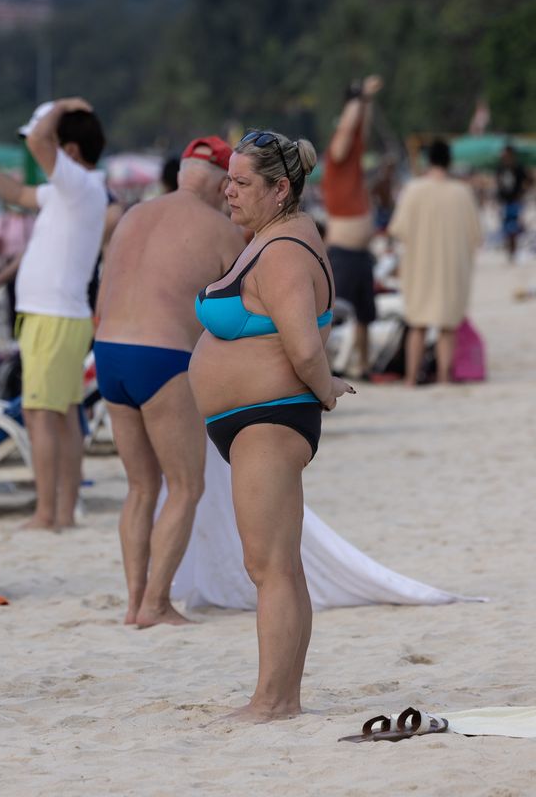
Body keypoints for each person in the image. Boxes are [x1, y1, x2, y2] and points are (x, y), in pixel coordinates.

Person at [188, 129, 354, 721]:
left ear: (280, 188)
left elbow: (306, 347)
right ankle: (279, 695)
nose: (226, 190)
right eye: (227, 178)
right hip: (255, 419)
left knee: (270, 565)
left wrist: (326, 390)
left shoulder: (283, 251)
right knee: (276, 562)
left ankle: (275, 700)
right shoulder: (270, 238)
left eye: (241, 182)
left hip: (270, 418)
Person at [94, 136, 246, 627]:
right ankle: (156, 604)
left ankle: (133, 602)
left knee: (140, 486)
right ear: (224, 184)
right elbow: (237, 315)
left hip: (109, 353)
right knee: (184, 485)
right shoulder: (221, 232)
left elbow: (101, 296)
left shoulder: (130, 217)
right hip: (161, 357)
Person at [0, 97, 107, 530]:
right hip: (54, 315)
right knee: (60, 414)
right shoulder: (74, 190)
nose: (40, 148)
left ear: (72, 151)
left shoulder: (80, 184)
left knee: (42, 414)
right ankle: (60, 511)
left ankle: (48, 512)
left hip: (54, 316)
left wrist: (63, 106)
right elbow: (20, 194)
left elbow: (42, 139)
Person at [387, 139, 482, 387]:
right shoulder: (462, 192)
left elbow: (398, 230)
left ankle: (410, 378)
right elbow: (475, 236)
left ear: (428, 160)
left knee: (417, 324)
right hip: (452, 267)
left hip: (420, 267)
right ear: (450, 161)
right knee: (447, 326)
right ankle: (443, 376)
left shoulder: (413, 190)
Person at [322, 75, 381, 377]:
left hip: (360, 253)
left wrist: (367, 102)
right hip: (343, 251)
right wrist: (357, 97)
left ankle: (364, 364)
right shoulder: (337, 158)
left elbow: (361, 131)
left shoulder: (353, 156)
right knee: (338, 315)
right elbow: (347, 129)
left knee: (365, 315)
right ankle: (328, 367)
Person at [496, 145, 530, 263]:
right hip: (504, 202)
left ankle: (513, 252)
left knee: (513, 228)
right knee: (506, 228)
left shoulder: (518, 168)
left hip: (514, 201)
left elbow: (529, 181)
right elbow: (499, 184)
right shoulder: (500, 168)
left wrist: (522, 194)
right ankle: (509, 253)